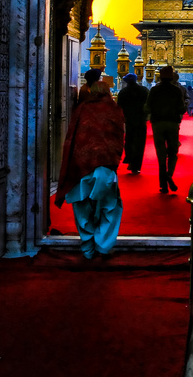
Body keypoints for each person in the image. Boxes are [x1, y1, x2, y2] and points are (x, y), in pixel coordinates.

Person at [55, 78, 125, 259]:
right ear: (108, 92)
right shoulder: (114, 110)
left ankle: (87, 247)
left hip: (80, 166)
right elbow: (118, 138)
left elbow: (71, 138)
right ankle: (103, 246)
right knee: (109, 207)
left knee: (82, 208)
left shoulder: (82, 109)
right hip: (105, 166)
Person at [144, 65, 184, 194]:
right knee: (173, 152)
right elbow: (181, 108)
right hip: (172, 123)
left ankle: (163, 184)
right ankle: (169, 175)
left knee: (161, 153)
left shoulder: (154, 90)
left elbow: (147, 107)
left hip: (157, 123)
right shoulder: (176, 90)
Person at [116, 73, 148, 174]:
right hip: (141, 119)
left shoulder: (123, 92)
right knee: (140, 142)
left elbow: (119, 106)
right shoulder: (144, 90)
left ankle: (130, 159)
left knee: (129, 140)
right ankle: (137, 165)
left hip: (129, 120)